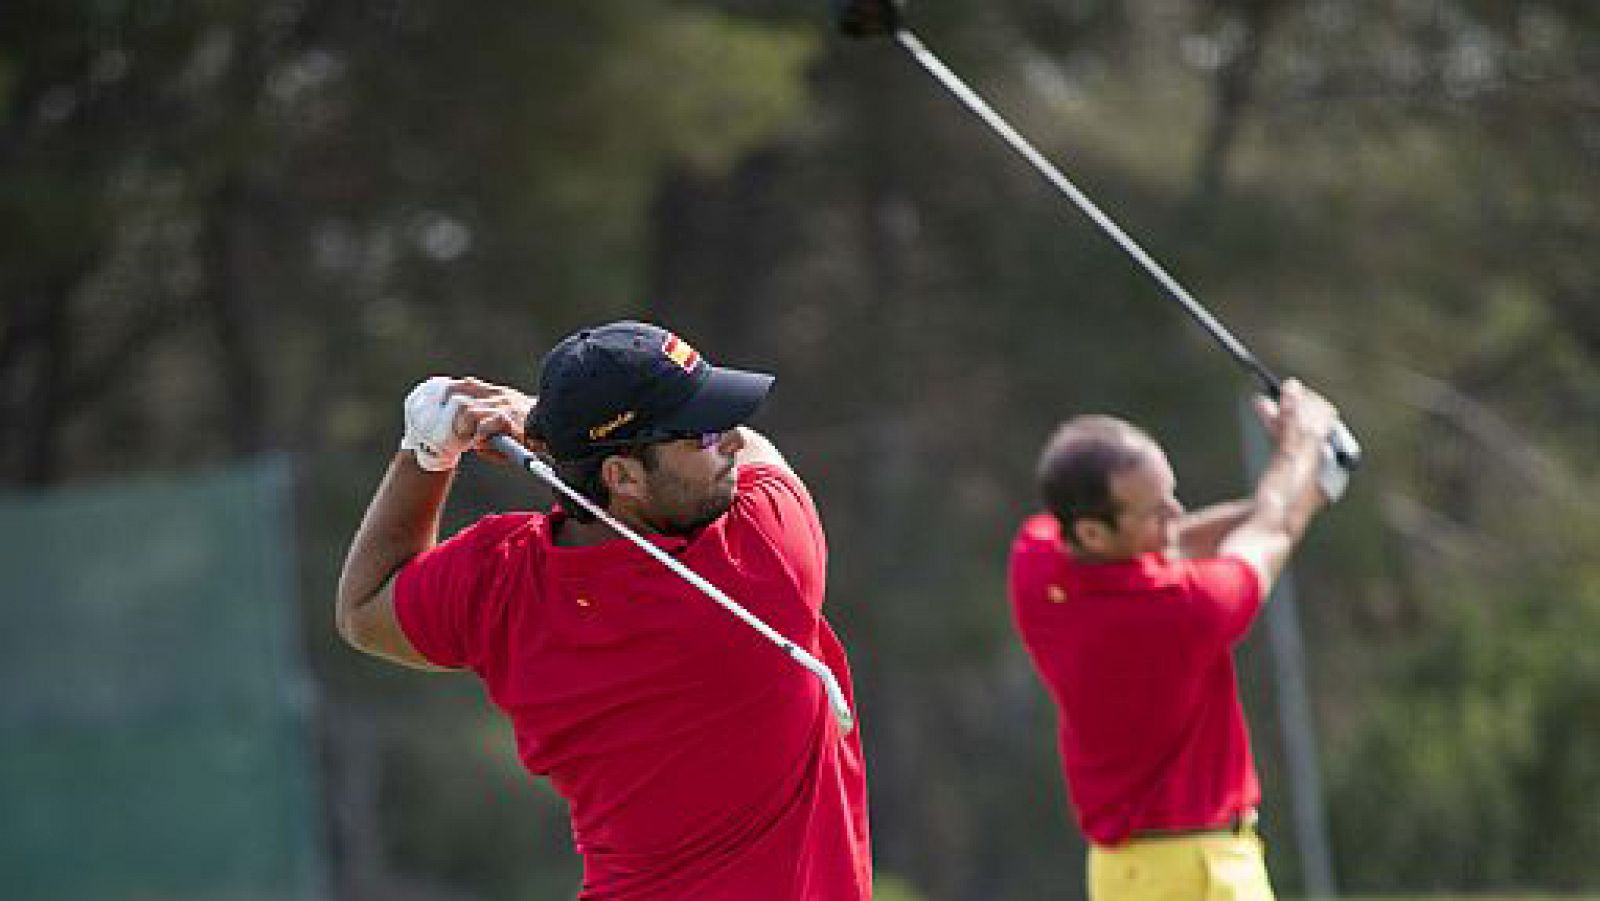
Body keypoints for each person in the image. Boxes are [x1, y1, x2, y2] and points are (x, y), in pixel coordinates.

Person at [336, 320, 871, 900]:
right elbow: (768, 455)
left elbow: (363, 609)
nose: (734, 441)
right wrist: (537, 414)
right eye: (702, 436)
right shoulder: (764, 561)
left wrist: (427, 452)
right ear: (622, 477)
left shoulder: (498, 582)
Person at [1006, 379, 1345, 901]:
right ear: (1094, 532)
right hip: (1202, 873)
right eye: (1154, 509)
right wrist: (1304, 445)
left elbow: (1185, 539)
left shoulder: (1036, 560)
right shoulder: (1182, 611)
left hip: (1119, 876)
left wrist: (1305, 480)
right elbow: (1276, 526)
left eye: (1170, 494)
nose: (1175, 513)